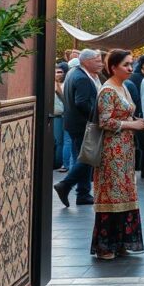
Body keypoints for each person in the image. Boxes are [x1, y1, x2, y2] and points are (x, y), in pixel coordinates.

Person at [90, 49, 144, 259]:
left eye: (131, 64)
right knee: (112, 194)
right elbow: (105, 121)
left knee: (125, 193)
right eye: (126, 64)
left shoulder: (123, 87)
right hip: (111, 150)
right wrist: (132, 124)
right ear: (113, 67)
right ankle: (105, 245)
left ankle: (120, 241)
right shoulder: (107, 90)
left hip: (125, 150)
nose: (130, 68)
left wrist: (135, 124)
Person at [54, 49, 103, 207]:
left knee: (83, 157)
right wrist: (97, 117)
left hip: (74, 124)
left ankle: (83, 193)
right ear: (86, 62)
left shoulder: (75, 73)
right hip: (82, 125)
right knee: (87, 158)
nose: (100, 63)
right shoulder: (82, 77)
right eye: (97, 61)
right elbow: (81, 102)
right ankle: (66, 185)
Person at [53, 62, 68, 172]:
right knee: (58, 141)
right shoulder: (53, 85)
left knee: (60, 141)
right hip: (55, 115)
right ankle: (57, 162)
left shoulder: (64, 85)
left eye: (60, 72)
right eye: (56, 72)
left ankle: (59, 162)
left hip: (61, 115)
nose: (58, 74)